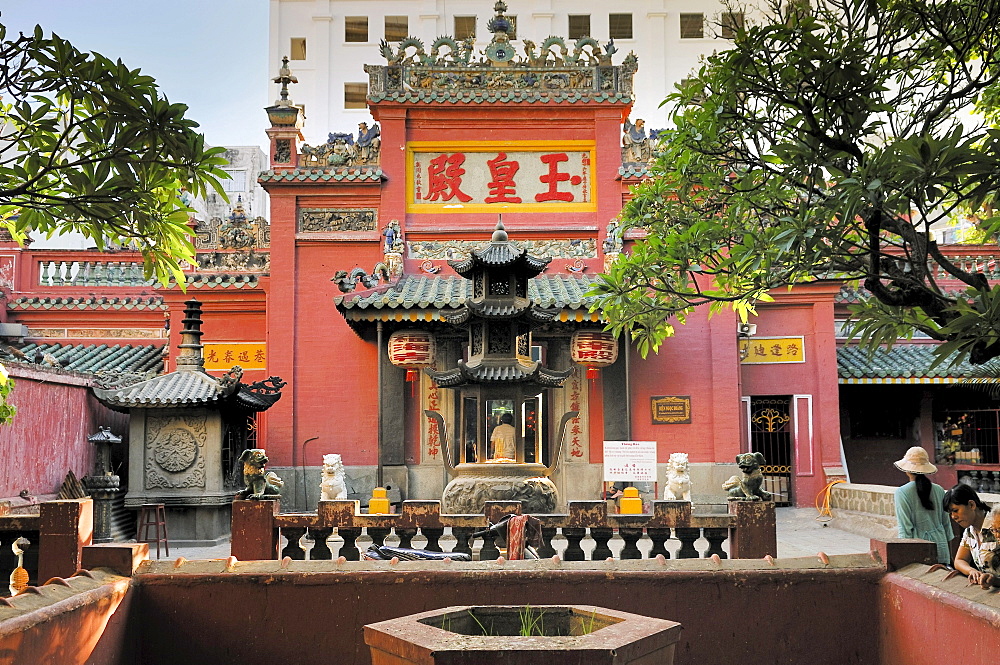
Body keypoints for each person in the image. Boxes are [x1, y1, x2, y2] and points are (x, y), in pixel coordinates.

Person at [892, 446, 953, 564]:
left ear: (907, 469)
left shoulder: (902, 492)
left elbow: (905, 528)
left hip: (918, 550)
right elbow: (946, 524)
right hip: (941, 547)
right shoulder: (939, 490)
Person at [943, 483, 999, 588]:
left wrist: (996, 580)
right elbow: (959, 560)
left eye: (955, 511)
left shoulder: (996, 524)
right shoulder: (970, 531)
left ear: (972, 505)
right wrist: (971, 571)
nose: (953, 517)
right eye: (950, 513)